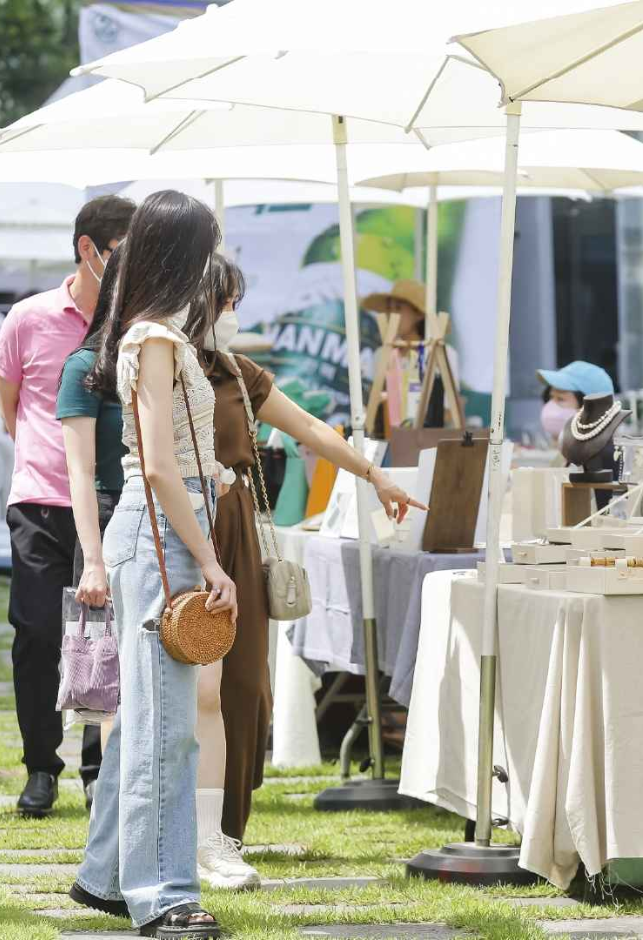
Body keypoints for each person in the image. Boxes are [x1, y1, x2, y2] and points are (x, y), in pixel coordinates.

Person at [199, 256, 425, 879]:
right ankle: (172, 830)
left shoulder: (240, 374)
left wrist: (374, 473)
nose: (230, 314)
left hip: (237, 529)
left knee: (246, 685)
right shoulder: (156, 364)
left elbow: (308, 426)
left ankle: (223, 832)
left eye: (232, 302)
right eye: (223, 301)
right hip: (180, 529)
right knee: (190, 691)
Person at [69, 191, 233, 937]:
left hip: (158, 525)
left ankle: (105, 877)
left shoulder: (150, 333)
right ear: (184, 254)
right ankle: (164, 894)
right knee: (166, 729)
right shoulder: (156, 338)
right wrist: (209, 558)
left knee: (146, 721)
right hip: (165, 529)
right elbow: (161, 468)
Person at [0, 194, 135, 818]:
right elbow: (10, 407)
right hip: (41, 501)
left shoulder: (131, 324)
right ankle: (40, 766)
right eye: (123, 257)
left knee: (104, 635)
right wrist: (44, 458)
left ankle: (97, 767)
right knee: (37, 633)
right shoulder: (27, 318)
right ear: (88, 250)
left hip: (109, 497)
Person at [56, 249, 127, 812]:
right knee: (105, 674)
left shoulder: (167, 362)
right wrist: (95, 557)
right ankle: (104, 790)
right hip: (107, 516)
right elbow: (78, 471)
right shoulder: (86, 367)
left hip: (159, 520)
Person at [363, 279, 459, 431]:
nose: (391, 314)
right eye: (389, 308)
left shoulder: (441, 353)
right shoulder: (381, 355)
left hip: (427, 442)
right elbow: (370, 407)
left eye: (398, 308)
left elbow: (449, 410)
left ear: (419, 314)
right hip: (387, 442)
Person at [536, 360, 615, 444]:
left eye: (560, 399)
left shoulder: (601, 455)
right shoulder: (569, 454)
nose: (550, 406)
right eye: (551, 397)